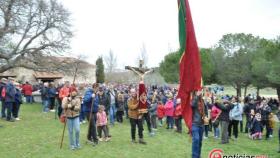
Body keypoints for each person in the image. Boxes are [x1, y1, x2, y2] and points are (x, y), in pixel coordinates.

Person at [191, 90, 207, 158]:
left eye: (200, 91)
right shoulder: (193, 99)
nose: (200, 92)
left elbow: (205, 110)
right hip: (195, 123)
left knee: (200, 142)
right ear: (195, 92)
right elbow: (192, 105)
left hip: (202, 124)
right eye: (198, 91)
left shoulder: (202, 101)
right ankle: (194, 156)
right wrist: (197, 96)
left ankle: (198, 155)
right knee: (196, 140)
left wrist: (206, 116)